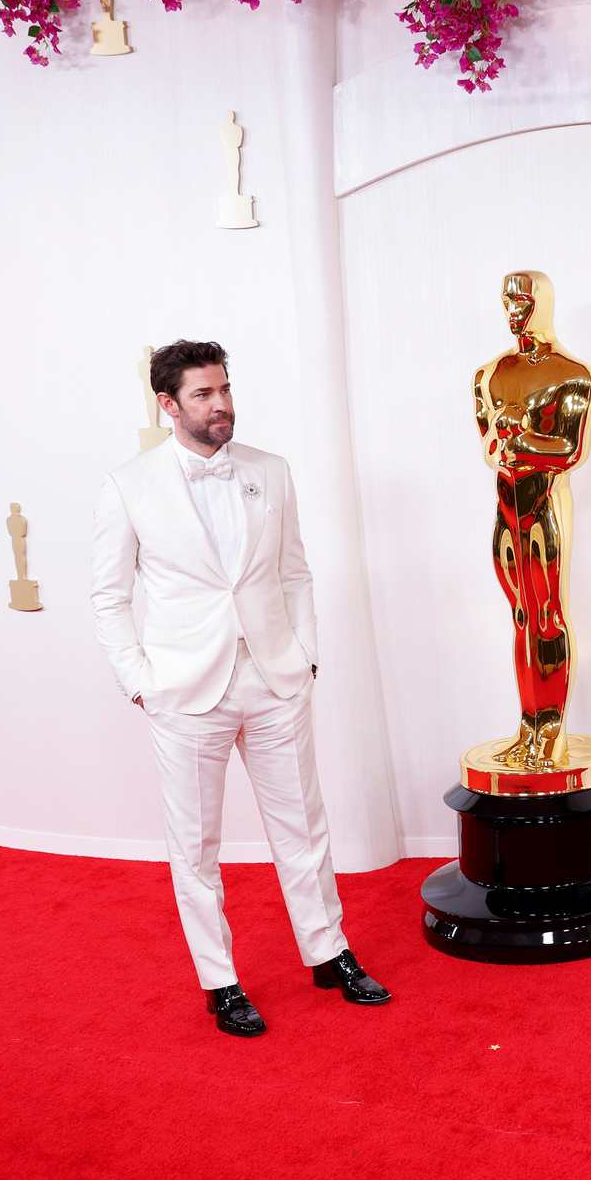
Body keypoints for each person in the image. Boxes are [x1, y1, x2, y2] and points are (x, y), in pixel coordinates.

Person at [91, 340, 390, 1036]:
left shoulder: (269, 471)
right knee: (195, 843)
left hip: (275, 678)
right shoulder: (128, 486)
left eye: (223, 389)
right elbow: (108, 598)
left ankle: (328, 950)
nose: (220, 404)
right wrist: (140, 681)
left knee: (303, 828)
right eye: (202, 395)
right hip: (185, 689)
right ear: (167, 405)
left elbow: (294, 573)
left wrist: (305, 656)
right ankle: (220, 980)